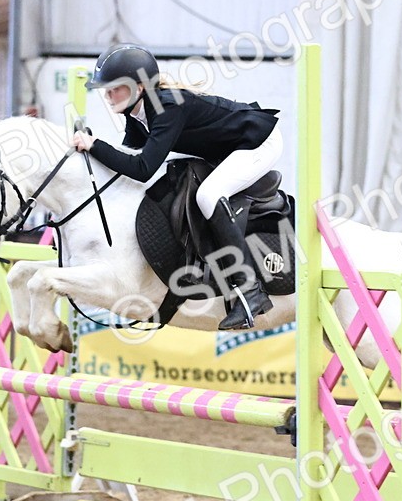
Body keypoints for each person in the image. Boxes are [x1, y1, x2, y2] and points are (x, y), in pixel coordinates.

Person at [72, 43, 281, 330]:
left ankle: (250, 290)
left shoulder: (167, 106)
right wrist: (92, 148)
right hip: (228, 149)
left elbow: (143, 169)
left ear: (139, 87)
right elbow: (129, 158)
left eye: (114, 88)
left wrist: (95, 146)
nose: (107, 96)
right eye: (105, 90)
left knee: (209, 195)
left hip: (258, 142)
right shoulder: (136, 113)